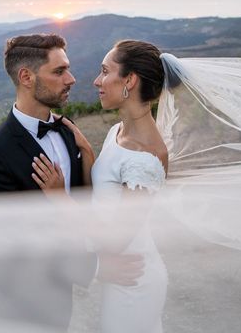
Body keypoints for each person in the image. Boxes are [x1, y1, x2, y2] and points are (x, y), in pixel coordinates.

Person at [0, 33, 144, 331]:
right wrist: (96, 267)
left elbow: (83, 208)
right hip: (15, 305)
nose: (72, 79)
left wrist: (87, 155)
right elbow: (15, 241)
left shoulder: (67, 133)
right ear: (26, 76)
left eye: (68, 69)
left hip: (59, 302)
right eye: (59, 71)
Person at [32, 39, 169, 333]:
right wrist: (90, 158)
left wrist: (61, 200)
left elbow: (115, 239)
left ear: (129, 80)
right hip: (122, 275)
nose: (96, 81)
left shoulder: (148, 156)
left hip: (134, 278)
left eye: (105, 71)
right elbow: (109, 198)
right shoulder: (117, 132)